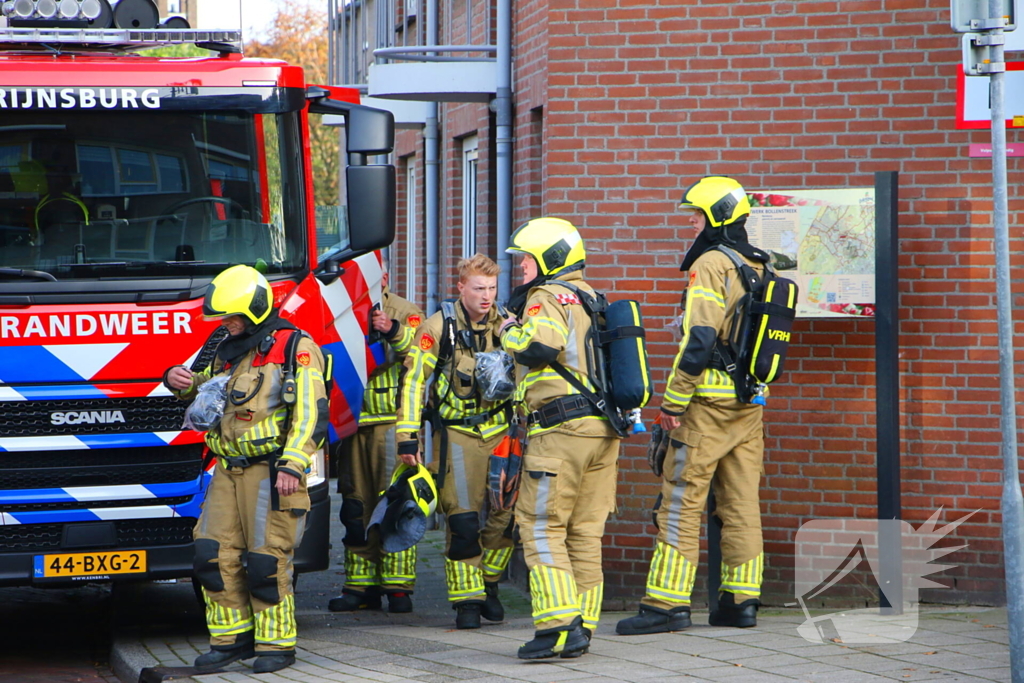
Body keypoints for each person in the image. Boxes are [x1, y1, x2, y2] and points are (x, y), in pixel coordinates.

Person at [615, 175, 771, 636]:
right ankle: (740, 603)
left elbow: (701, 337)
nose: (696, 224)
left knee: (680, 503)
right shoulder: (759, 264)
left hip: (705, 405)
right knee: (742, 504)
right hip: (749, 405)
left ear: (718, 217)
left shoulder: (711, 264)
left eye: (700, 215)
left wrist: (674, 402)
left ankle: (666, 605)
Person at [164, 264, 327, 675]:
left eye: (233, 317)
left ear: (255, 309)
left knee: (265, 559)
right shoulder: (227, 347)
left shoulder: (295, 348)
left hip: (271, 471)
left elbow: (311, 414)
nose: (227, 324)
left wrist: (293, 463)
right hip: (227, 469)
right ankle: (231, 641)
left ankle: (276, 644)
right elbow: (209, 386)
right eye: (224, 318)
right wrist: (177, 379)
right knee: (211, 553)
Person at [498, 217, 620, 660]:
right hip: (602, 430)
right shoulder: (591, 296)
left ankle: (556, 627)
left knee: (541, 526)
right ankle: (582, 628)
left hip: (561, 431)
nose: (523, 268)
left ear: (550, 259)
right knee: (585, 533)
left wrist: (506, 330)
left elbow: (539, 347)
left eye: (527, 259)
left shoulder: (547, 296)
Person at [396, 253, 514, 630]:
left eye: (492, 289)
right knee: (463, 522)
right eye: (479, 288)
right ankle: (467, 602)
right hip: (459, 434)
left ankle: (489, 584)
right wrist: (407, 436)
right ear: (460, 287)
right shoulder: (437, 326)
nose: (487, 297)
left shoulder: (509, 323)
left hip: (501, 432)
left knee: (505, 518)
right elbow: (414, 381)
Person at [328, 262, 425, 614]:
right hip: (351, 423)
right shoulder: (339, 315)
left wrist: (392, 330)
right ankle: (360, 586)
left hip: (390, 424)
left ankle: (398, 587)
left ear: (383, 278)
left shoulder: (405, 311)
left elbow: (418, 355)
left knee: (396, 504)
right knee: (355, 507)